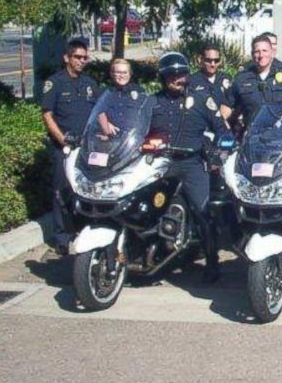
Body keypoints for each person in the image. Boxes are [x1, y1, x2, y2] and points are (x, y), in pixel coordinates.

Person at [151, 52, 231, 282]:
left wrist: (218, 152)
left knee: (203, 210)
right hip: (161, 164)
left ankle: (212, 260)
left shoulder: (201, 100)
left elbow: (222, 130)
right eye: (171, 75)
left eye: (181, 75)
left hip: (192, 164)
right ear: (163, 77)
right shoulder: (153, 101)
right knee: (146, 206)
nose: (177, 79)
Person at [40, 38, 100, 254]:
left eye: (85, 57)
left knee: (87, 191)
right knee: (62, 191)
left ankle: (83, 230)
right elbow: (47, 115)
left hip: (87, 149)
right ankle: (62, 237)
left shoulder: (90, 84)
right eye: (77, 57)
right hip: (64, 148)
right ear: (67, 58)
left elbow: (100, 113)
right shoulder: (55, 83)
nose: (82, 61)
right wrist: (62, 139)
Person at [221, 35, 282, 136]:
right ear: (252, 54)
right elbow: (226, 108)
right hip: (253, 138)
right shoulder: (241, 79)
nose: (261, 55)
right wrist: (225, 130)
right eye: (257, 51)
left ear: (272, 53)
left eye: (264, 51)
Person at [96, 58, 146, 137]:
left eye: (125, 72)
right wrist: (106, 124)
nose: (122, 76)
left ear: (130, 74)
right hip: (110, 139)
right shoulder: (104, 93)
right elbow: (98, 113)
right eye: (118, 72)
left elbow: (145, 115)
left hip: (132, 140)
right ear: (111, 74)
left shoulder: (139, 92)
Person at [188, 44, 231, 109]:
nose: (213, 64)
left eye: (216, 61)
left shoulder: (226, 79)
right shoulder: (192, 81)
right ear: (200, 59)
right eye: (209, 60)